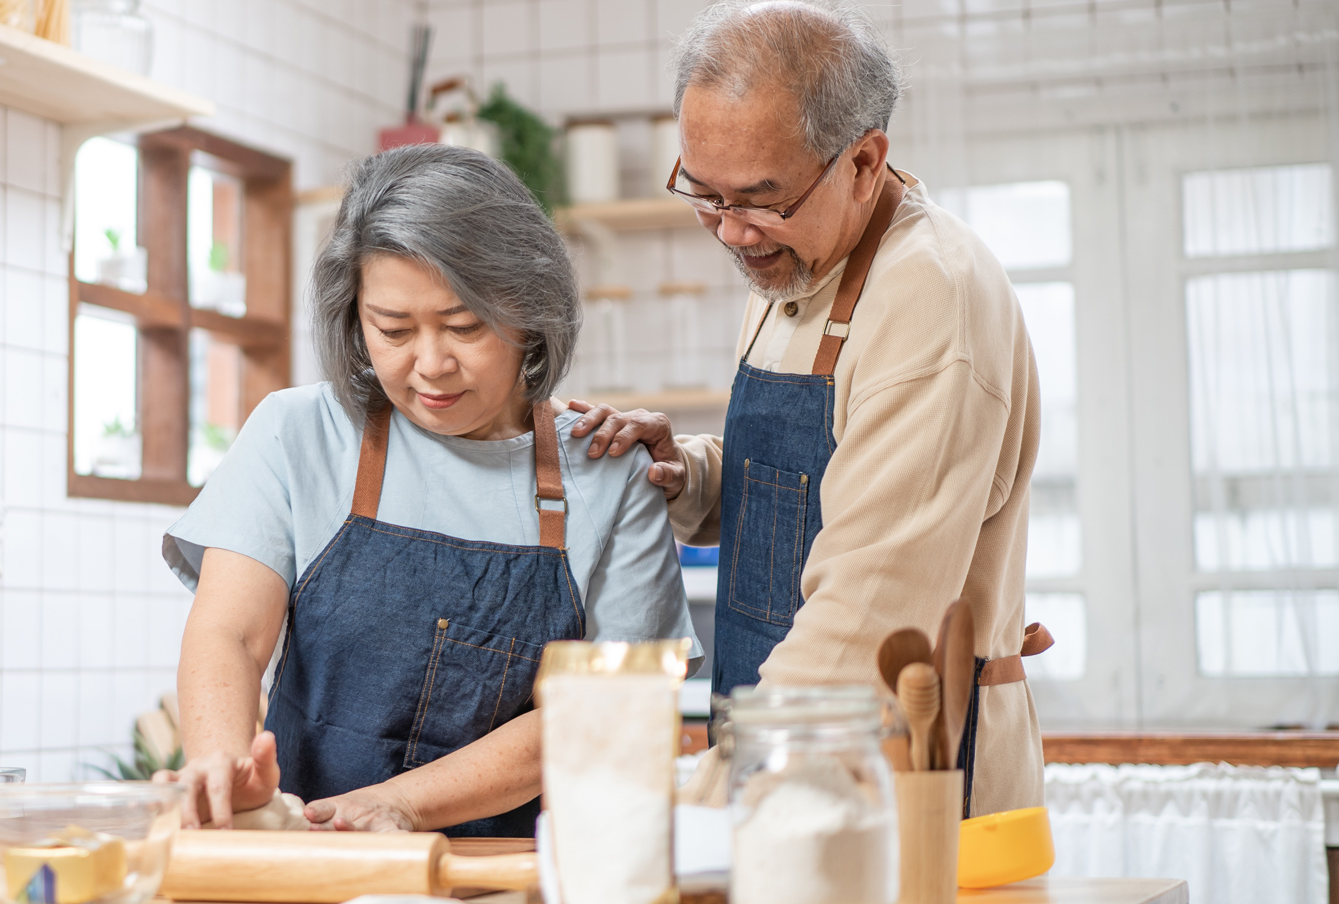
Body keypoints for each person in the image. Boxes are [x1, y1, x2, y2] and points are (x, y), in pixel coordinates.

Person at [569, 0, 1050, 818]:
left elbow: (868, 610)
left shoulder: (932, 295)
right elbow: (809, 486)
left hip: (899, 770)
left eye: (759, 199)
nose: (731, 233)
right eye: (704, 194)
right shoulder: (797, 261)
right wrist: (690, 474)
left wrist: (707, 810)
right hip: (783, 749)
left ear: (863, 162)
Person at [157, 144, 697, 836]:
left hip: (505, 878)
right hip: (309, 864)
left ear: (530, 312)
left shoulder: (609, 468)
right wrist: (223, 771)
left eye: (465, 327)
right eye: (394, 330)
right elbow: (229, 632)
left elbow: (614, 703)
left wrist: (401, 803)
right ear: (356, 320)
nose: (432, 365)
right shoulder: (297, 434)